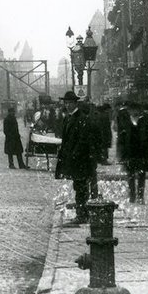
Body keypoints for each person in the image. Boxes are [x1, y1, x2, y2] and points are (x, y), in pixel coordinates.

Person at [54, 90, 98, 224]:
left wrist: (74, 155)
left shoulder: (81, 118)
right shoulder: (68, 118)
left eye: (70, 103)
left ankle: (82, 215)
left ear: (75, 103)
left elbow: (83, 141)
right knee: (78, 186)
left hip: (81, 160)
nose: (67, 105)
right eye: (66, 103)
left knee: (81, 187)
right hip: (74, 160)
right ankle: (82, 213)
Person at [116, 101, 148, 203]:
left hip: (142, 152)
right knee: (130, 175)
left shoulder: (145, 121)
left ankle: (140, 196)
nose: (134, 112)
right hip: (130, 152)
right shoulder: (126, 122)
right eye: (132, 110)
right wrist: (121, 154)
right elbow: (121, 139)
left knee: (142, 176)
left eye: (136, 110)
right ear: (129, 111)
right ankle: (132, 195)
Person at [3, 105, 26, 169]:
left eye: (13, 112)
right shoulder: (7, 119)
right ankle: (11, 164)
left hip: (16, 138)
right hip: (10, 138)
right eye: (12, 112)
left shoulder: (13, 118)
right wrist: (10, 135)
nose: (13, 113)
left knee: (19, 152)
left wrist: (17, 135)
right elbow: (5, 130)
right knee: (10, 152)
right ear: (9, 112)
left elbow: (16, 128)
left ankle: (21, 164)